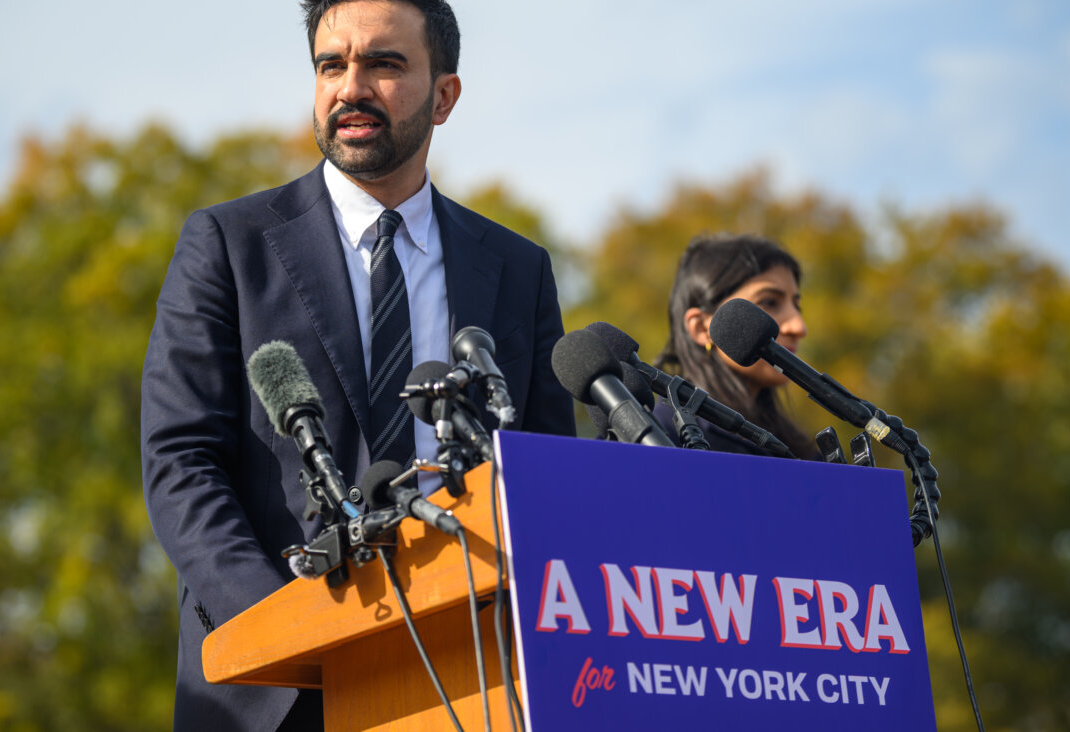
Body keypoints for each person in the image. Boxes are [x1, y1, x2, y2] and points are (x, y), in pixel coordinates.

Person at [140, 1, 575, 729]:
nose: (350, 87)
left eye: (383, 63)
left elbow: (544, 474)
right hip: (276, 687)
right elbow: (180, 461)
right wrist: (291, 624)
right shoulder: (227, 244)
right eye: (330, 65)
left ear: (444, 95)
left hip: (472, 679)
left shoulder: (518, 270)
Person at [652, 234, 820, 460]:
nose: (798, 326)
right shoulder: (658, 438)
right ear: (702, 328)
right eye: (770, 302)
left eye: (797, 305)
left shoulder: (800, 449)